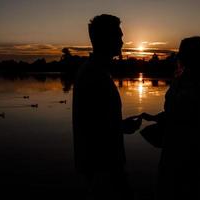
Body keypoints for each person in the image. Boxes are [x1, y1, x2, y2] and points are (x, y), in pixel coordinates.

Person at [72, 14, 141, 200]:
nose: (122, 42)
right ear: (105, 39)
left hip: (103, 165)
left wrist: (121, 125)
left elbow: (98, 121)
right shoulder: (93, 75)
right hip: (102, 167)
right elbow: (94, 129)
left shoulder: (96, 71)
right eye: (118, 36)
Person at [141, 36, 200, 200]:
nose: (179, 54)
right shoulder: (179, 80)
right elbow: (173, 113)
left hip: (190, 154)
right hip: (170, 150)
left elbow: (199, 122)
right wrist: (155, 118)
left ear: (194, 56)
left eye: (183, 51)